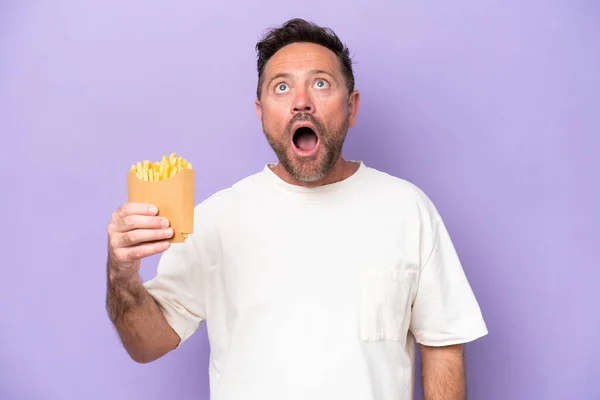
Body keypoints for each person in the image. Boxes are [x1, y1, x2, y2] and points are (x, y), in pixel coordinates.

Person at [106, 18, 488, 400]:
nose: (301, 101)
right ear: (262, 114)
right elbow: (147, 345)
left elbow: (444, 344)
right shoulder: (215, 220)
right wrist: (122, 274)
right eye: (282, 87)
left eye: (321, 83)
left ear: (351, 108)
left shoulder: (408, 209)